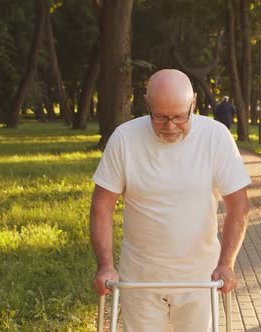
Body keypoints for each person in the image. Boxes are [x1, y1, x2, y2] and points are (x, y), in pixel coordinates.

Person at [90, 69, 250, 331]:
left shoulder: (216, 136)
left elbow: (239, 206)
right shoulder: (124, 138)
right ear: (147, 105)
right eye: (161, 117)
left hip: (200, 279)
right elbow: (101, 207)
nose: (170, 126)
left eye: (179, 116)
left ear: (194, 103)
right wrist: (105, 266)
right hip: (140, 278)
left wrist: (226, 264)